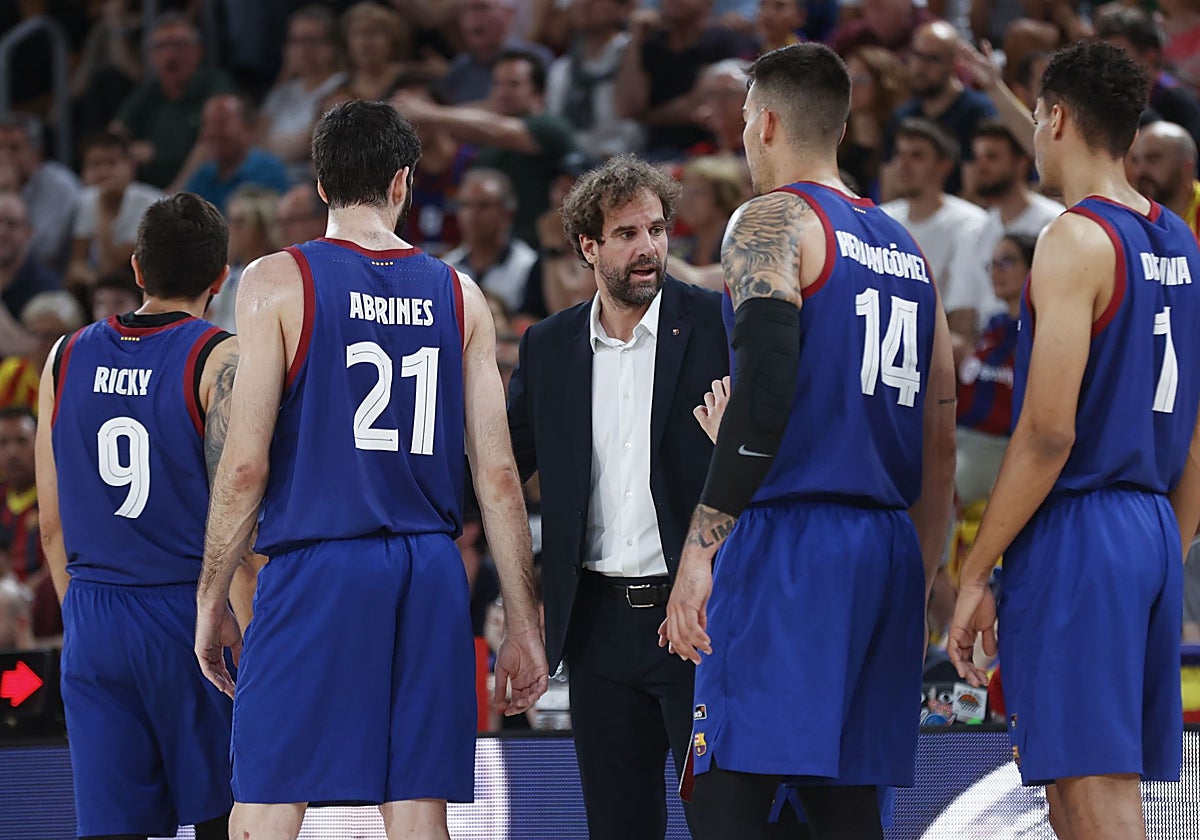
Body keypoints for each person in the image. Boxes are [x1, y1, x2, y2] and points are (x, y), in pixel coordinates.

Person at [194, 100, 548, 840]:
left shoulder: (275, 280)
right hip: (427, 566)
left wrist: (211, 597)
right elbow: (500, 475)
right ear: (403, 182)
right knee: (417, 806)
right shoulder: (462, 293)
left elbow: (244, 464)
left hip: (320, 561)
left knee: (267, 792)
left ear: (320, 184)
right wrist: (523, 620)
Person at [661, 43, 956, 840]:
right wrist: (920, 576)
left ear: (765, 123)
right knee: (846, 806)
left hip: (791, 538)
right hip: (887, 548)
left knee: (726, 784)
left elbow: (761, 397)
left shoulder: (770, 219)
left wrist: (699, 552)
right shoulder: (906, 248)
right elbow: (940, 439)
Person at [948, 41, 1200, 840]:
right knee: (1076, 791)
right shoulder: (1183, 245)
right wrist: (1164, 546)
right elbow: (1197, 443)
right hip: (1152, 527)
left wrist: (976, 567)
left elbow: (1050, 431)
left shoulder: (1073, 239)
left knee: (1092, 791)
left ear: (1055, 118)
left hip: (1085, 527)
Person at [507, 153, 728, 840]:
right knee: (618, 827)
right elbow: (500, 469)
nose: (648, 248)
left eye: (658, 230)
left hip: (700, 622)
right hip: (597, 627)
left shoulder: (719, 327)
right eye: (627, 234)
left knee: (723, 821)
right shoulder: (548, 348)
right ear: (587, 246)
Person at [36, 192, 246, 840]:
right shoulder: (221, 360)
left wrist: (85, 613)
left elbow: (51, 526)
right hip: (193, 615)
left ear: (135, 268)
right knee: (224, 818)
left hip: (95, 614)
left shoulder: (63, 356)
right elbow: (241, 512)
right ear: (221, 277)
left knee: (111, 829)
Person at [1128, 121, 1200, 241]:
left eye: (1153, 159)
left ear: (1187, 168)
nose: (1139, 171)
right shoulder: (1130, 216)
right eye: (1136, 161)